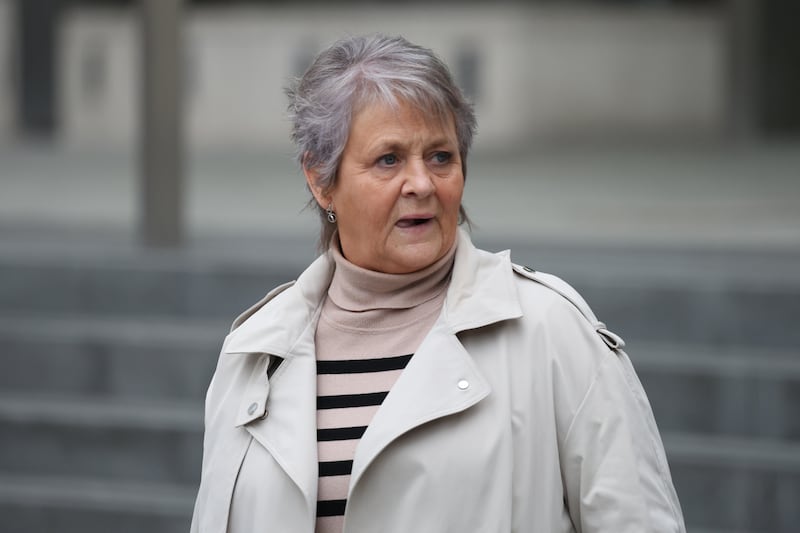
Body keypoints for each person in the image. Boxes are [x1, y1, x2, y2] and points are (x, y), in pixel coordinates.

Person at [190, 34, 685, 533]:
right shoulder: (254, 354)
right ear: (321, 179)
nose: (422, 183)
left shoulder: (552, 331)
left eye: (441, 156)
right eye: (389, 159)